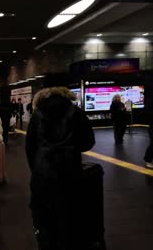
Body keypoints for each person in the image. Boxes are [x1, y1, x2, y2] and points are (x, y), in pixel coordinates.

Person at [25, 87, 95, 250]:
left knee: (44, 219)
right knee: (70, 216)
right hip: (71, 174)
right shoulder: (76, 112)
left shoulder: (38, 114)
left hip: (43, 175)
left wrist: (35, 170)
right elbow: (88, 142)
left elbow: (30, 147)